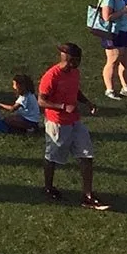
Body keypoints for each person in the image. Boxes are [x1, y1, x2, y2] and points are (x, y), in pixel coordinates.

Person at [37, 42, 107, 209]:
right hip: (57, 123)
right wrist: (62, 107)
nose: (79, 63)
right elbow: (41, 100)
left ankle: (87, 194)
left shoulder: (74, 72)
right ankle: (48, 187)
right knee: (52, 157)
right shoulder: (51, 76)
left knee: (86, 155)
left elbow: (75, 91)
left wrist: (87, 102)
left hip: (75, 121)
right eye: (77, 59)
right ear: (68, 59)